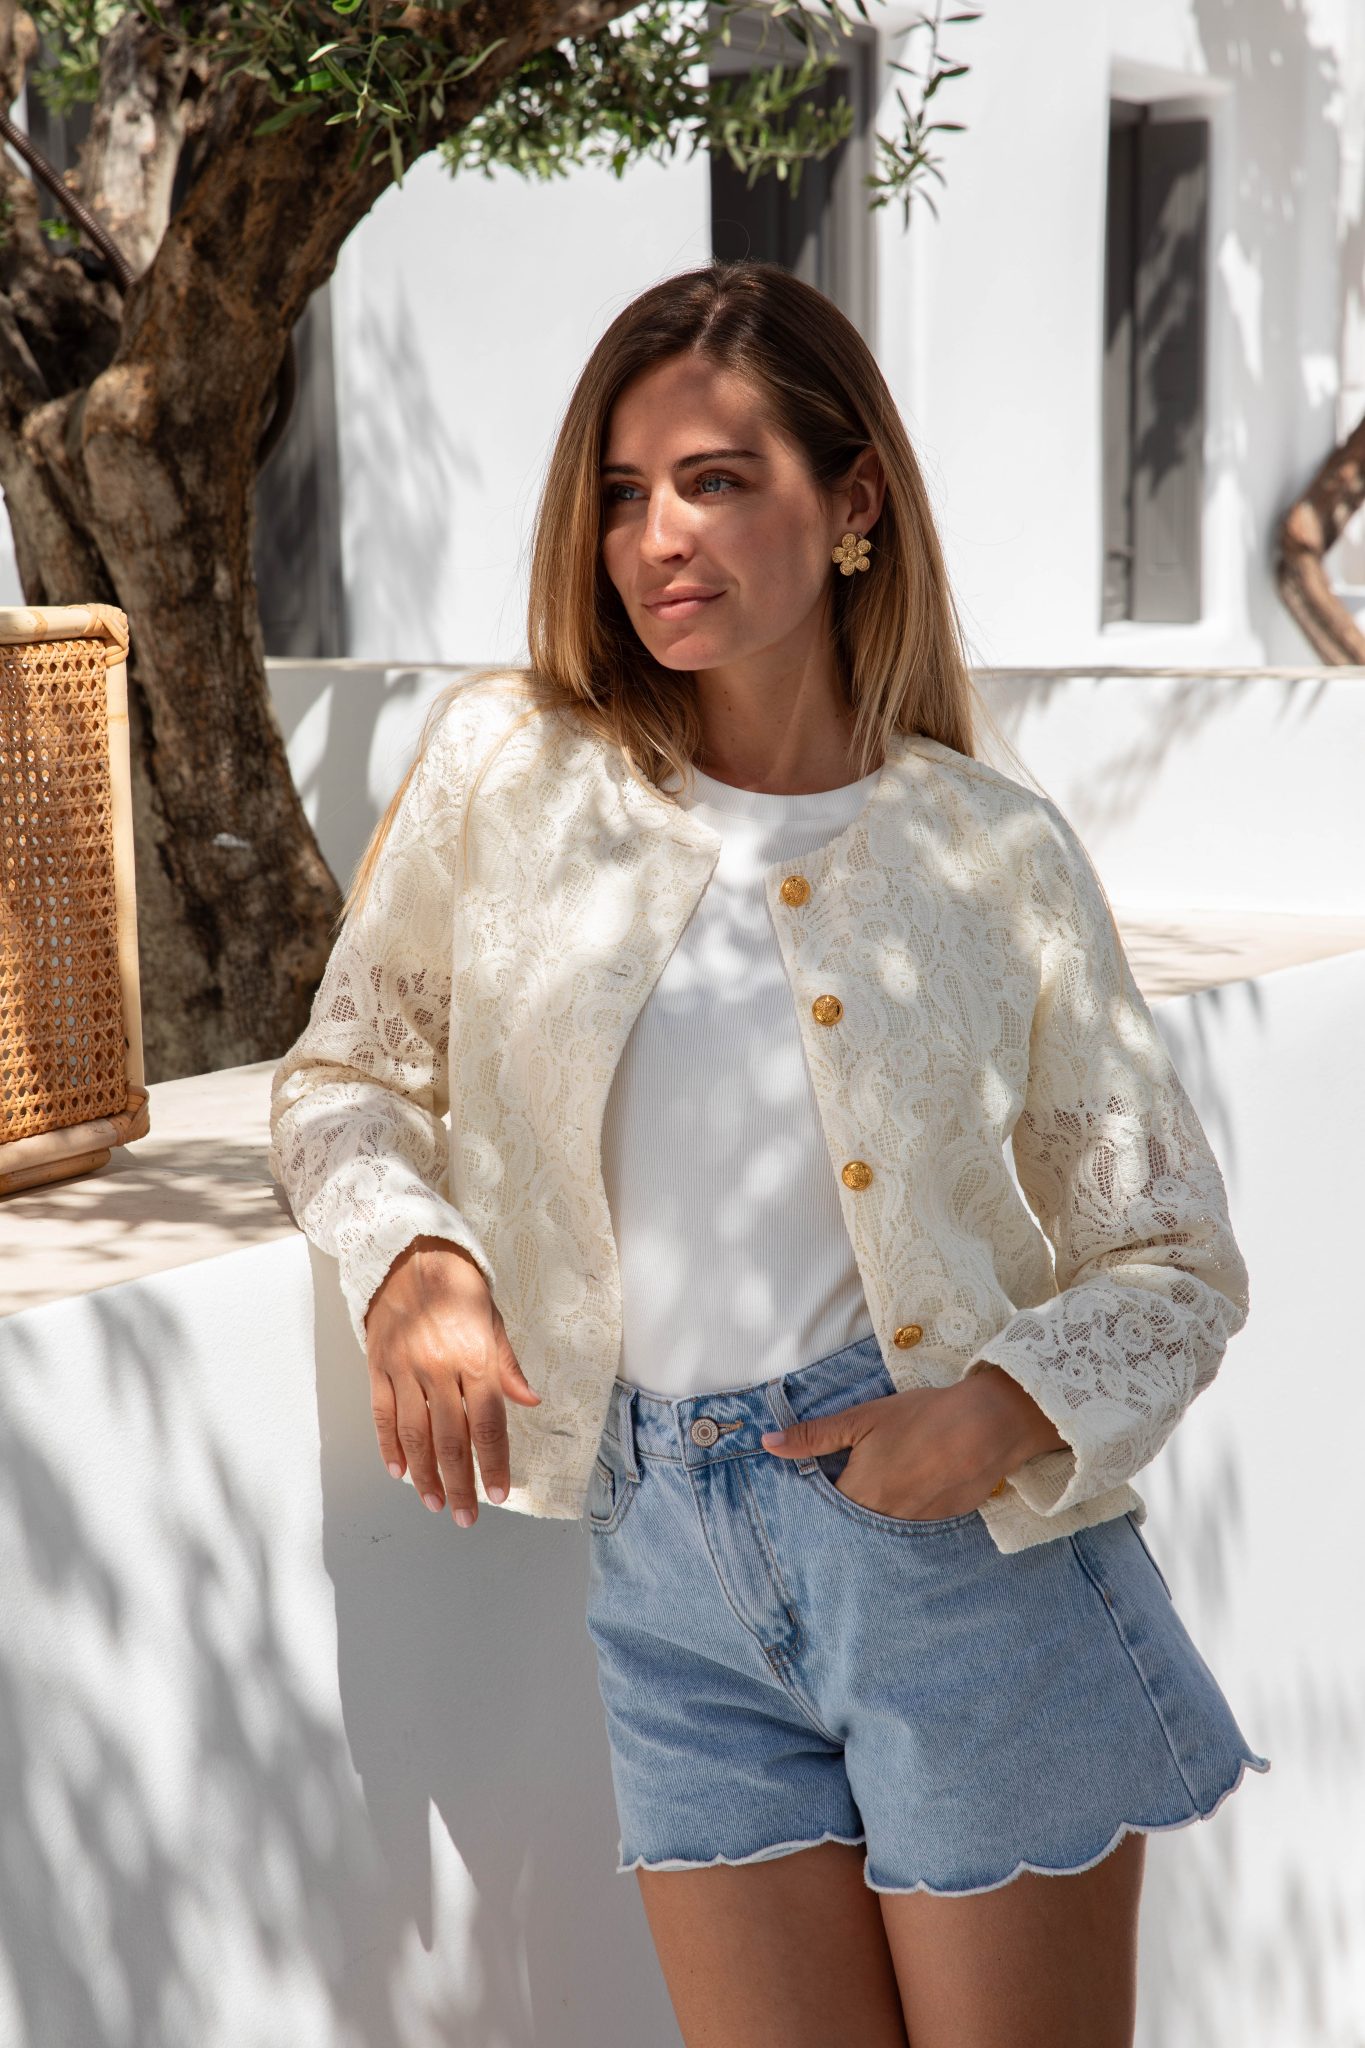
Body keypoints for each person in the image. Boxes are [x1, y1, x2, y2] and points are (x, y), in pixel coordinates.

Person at [268, 259, 1271, 2048]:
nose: (657, 536)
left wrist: (1002, 1409)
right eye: (622, 494)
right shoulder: (509, 772)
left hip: (962, 1570)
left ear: (851, 499)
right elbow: (347, 1073)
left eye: (715, 480)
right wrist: (410, 1258)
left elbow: (1170, 1252)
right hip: (663, 1572)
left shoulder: (990, 853)